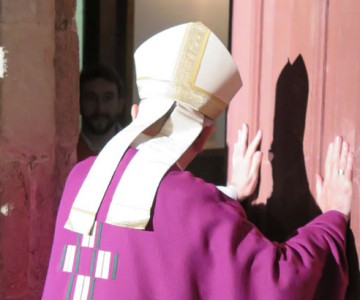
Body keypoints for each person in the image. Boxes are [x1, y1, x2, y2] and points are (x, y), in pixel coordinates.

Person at [43, 22, 354, 299]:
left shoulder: (81, 177)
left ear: (136, 113)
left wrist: (230, 193)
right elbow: (281, 284)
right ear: (205, 136)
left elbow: (154, 235)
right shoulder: (191, 202)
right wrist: (332, 221)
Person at [77, 65, 125, 161]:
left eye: (108, 98)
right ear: (79, 102)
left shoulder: (136, 148)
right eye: (91, 98)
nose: (100, 109)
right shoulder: (67, 152)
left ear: (120, 103)